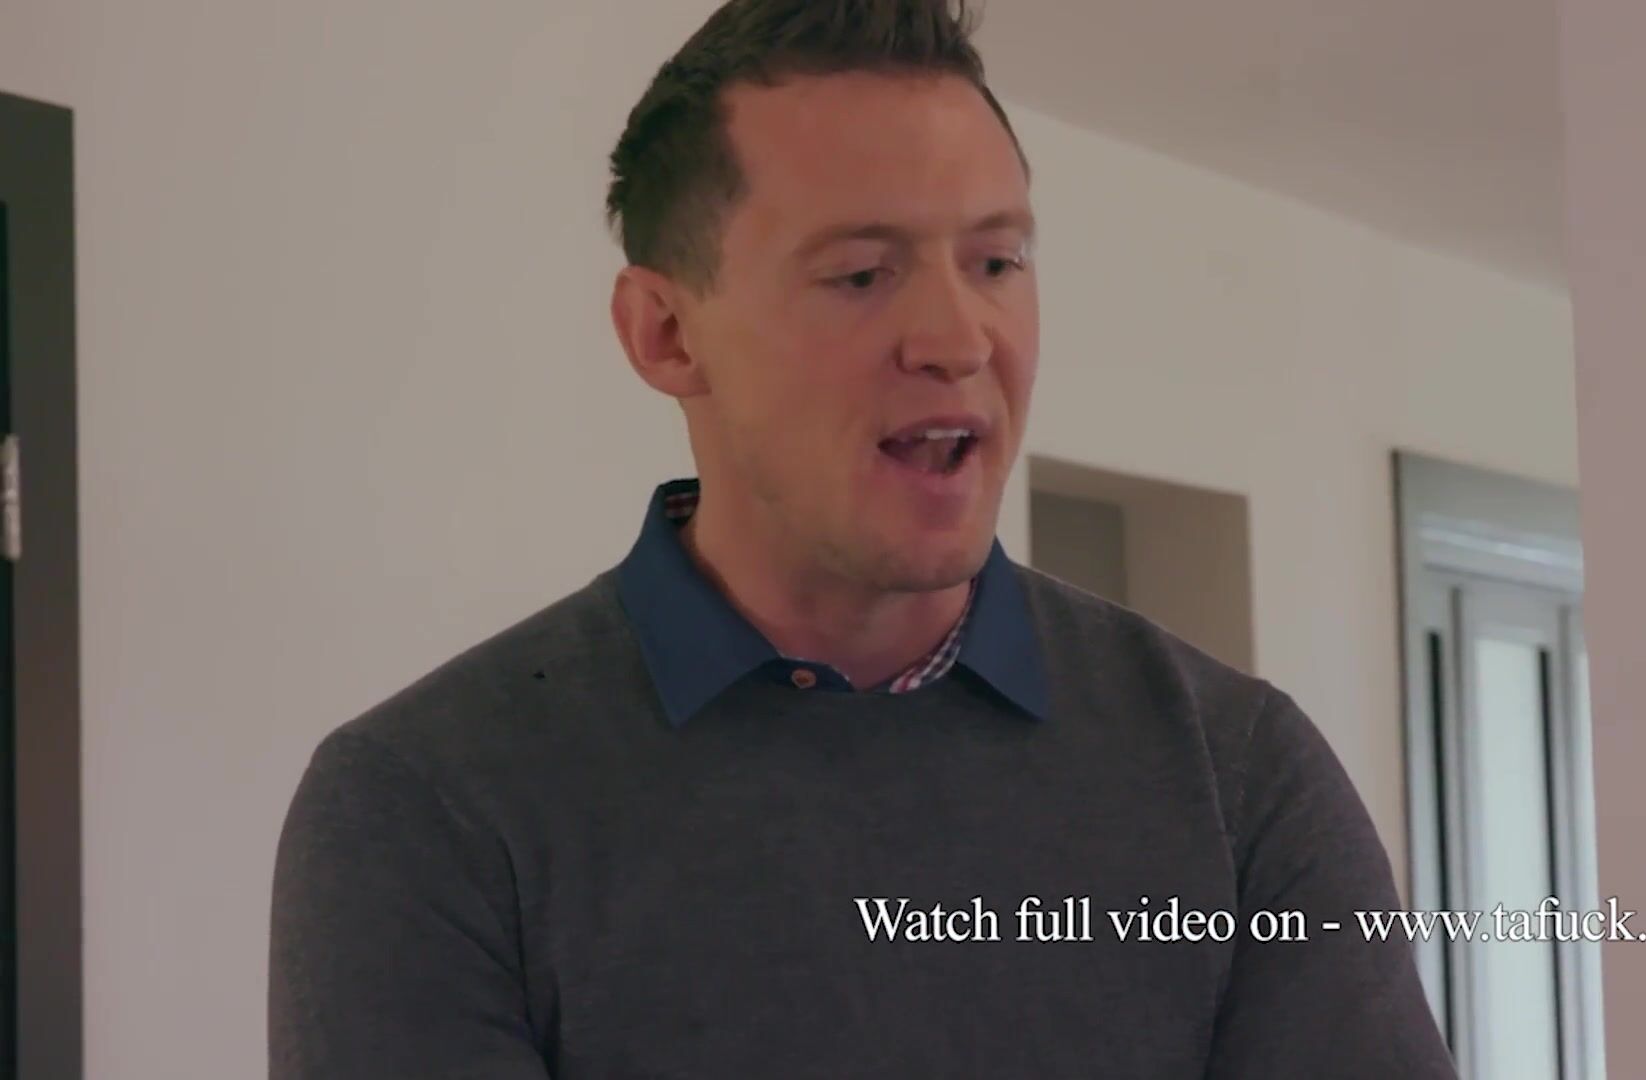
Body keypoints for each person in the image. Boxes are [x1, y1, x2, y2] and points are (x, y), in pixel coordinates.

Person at [267, 1, 1457, 1076]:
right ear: (667, 334)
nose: (959, 338)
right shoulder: (430, 808)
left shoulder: (1234, 773)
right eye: (860, 275)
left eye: (997, 262)